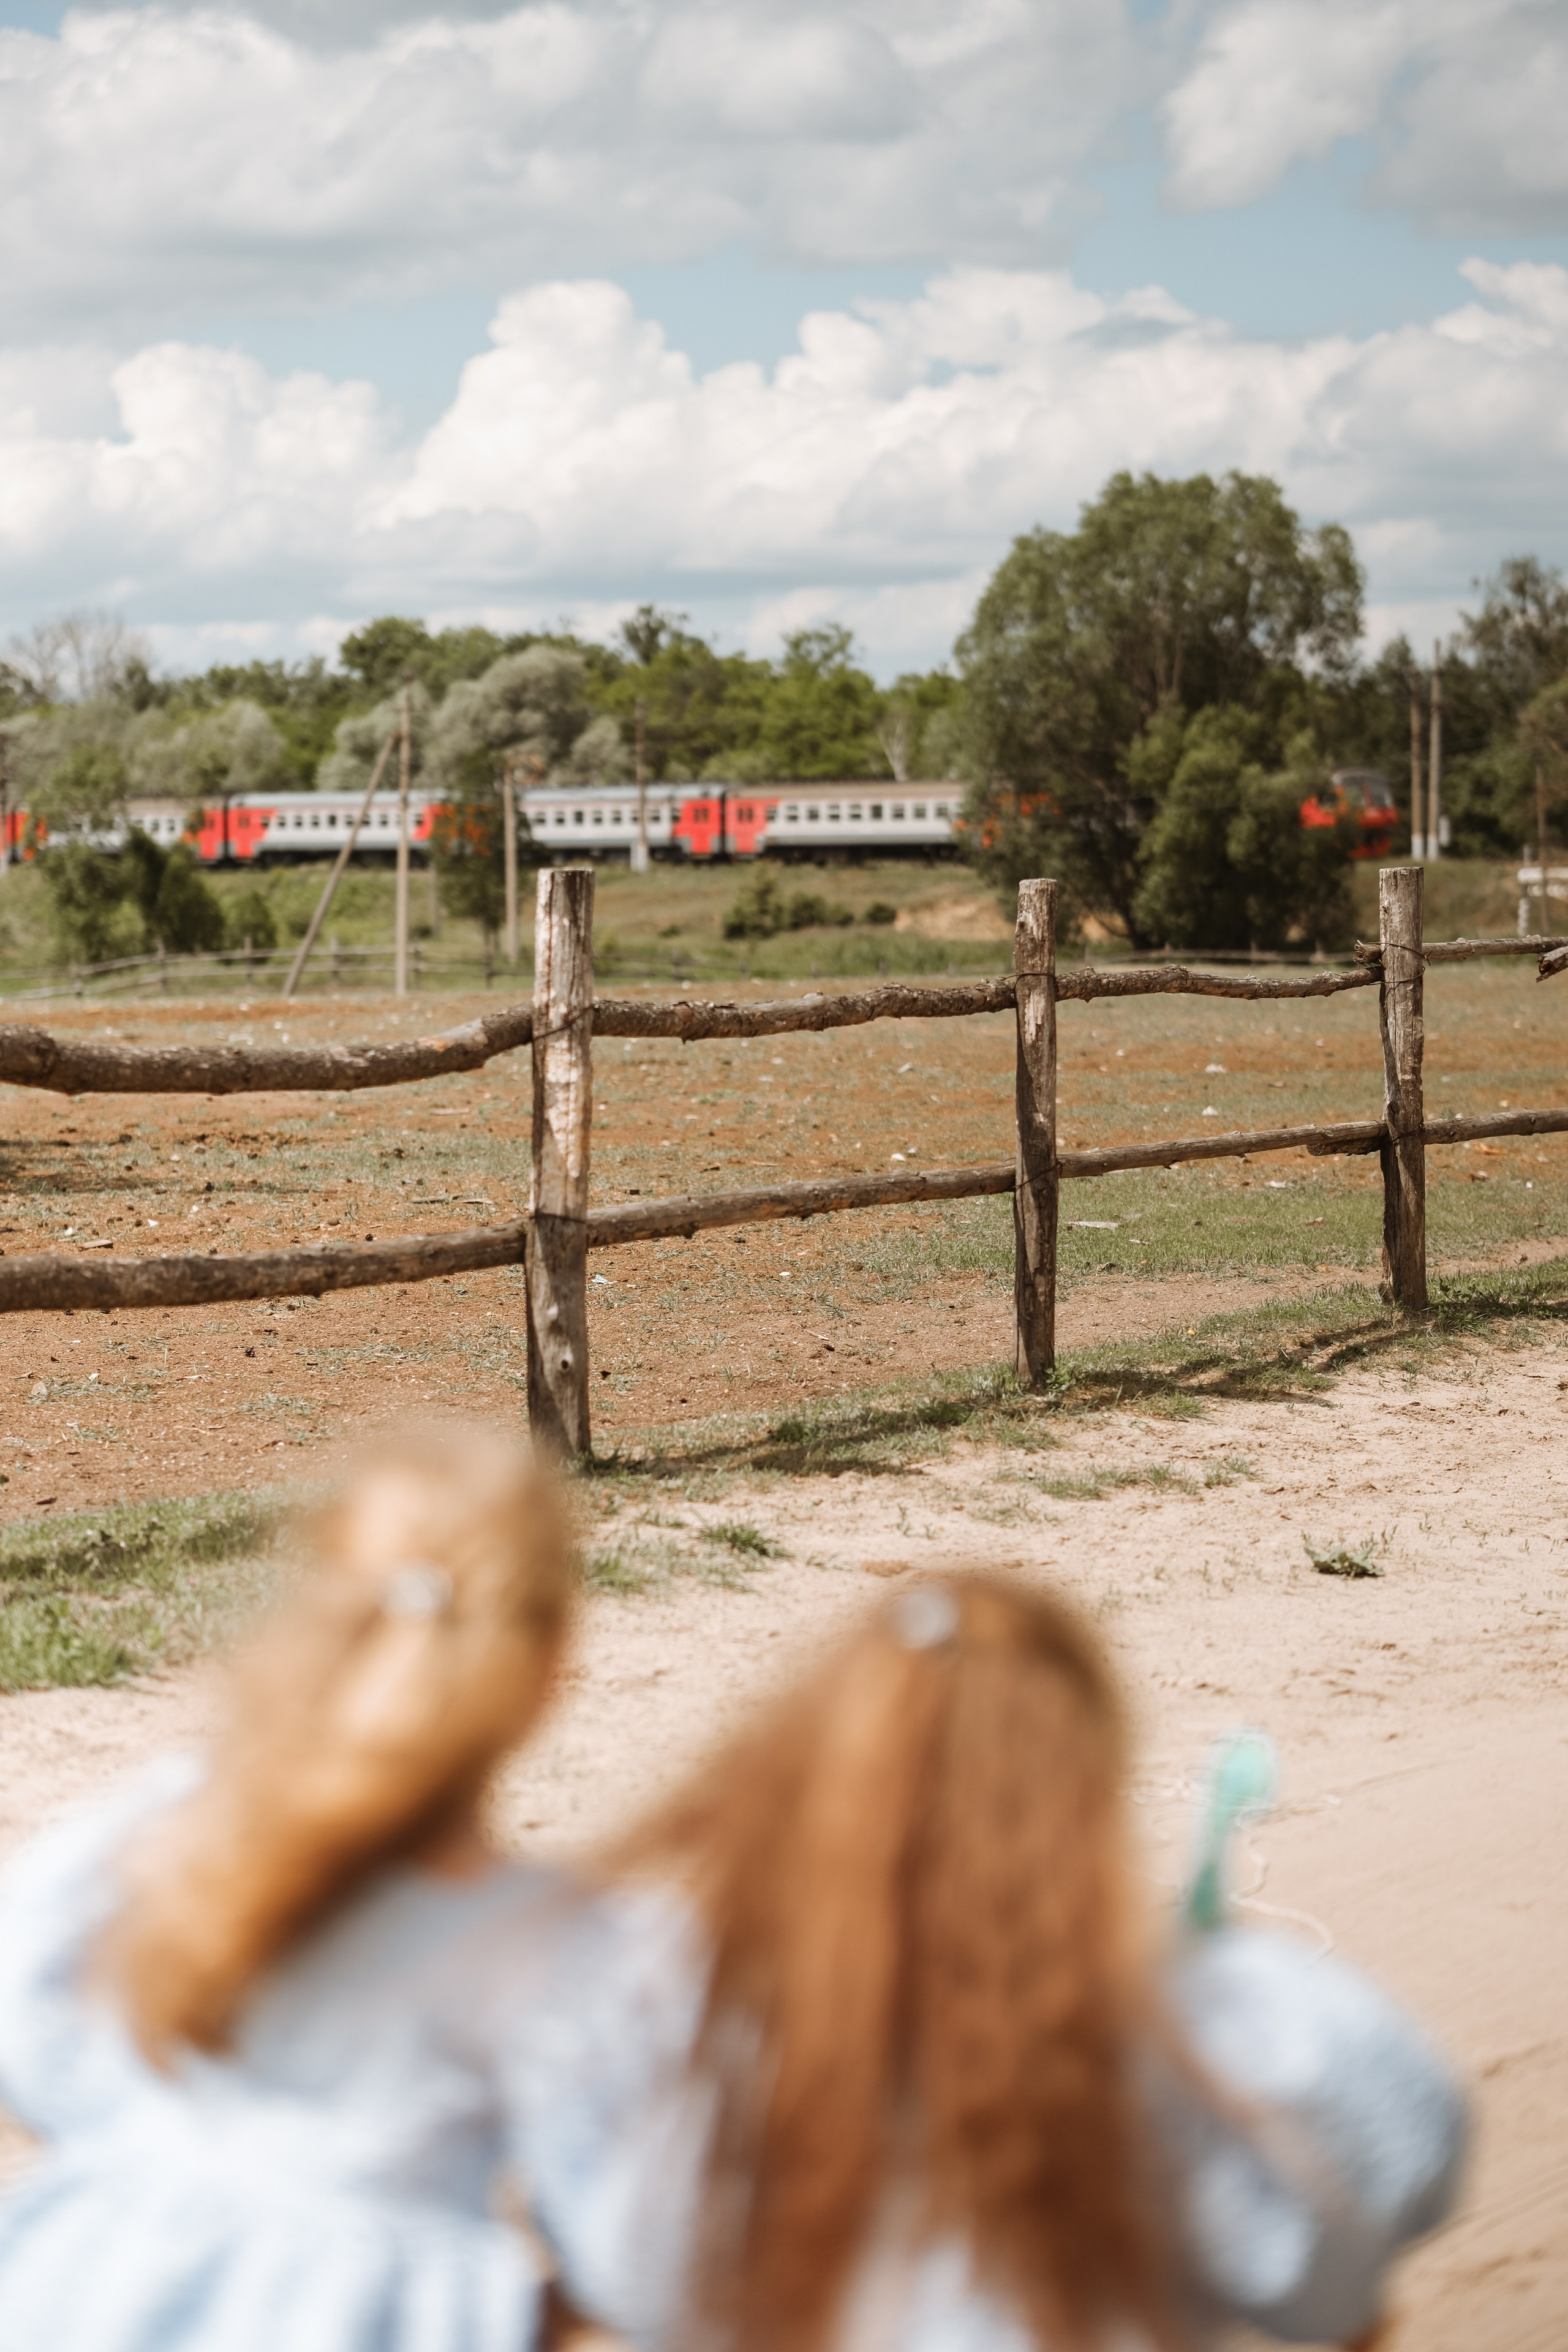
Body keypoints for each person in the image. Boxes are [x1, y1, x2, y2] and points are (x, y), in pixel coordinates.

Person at [512, 1573, 1467, 2352]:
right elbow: (1343, 2295)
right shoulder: (1231, 2035)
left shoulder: (667, 2018)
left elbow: (607, 2273)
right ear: (1085, 1785)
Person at [0, 1425, 579, 2352]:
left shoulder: (172, 1828)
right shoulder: (561, 1940)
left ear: (313, 1621)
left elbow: (23, 1992)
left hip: (74, 2293)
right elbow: (650, 2230)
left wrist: (119, 2134)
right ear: (549, 1676)